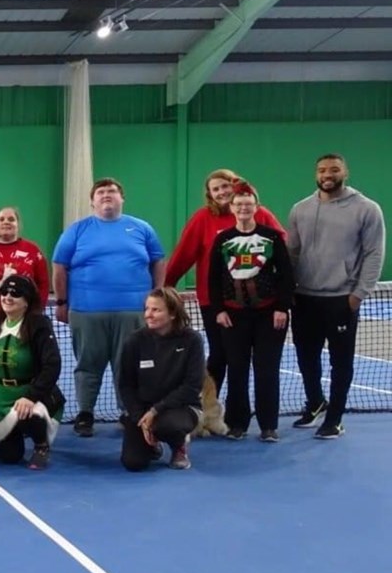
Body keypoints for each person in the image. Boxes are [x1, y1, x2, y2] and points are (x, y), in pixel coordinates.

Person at [52, 177, 165, 437]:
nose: (106, 195)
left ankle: (128, 412)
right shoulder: (77, 230)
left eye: (112, 191)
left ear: (121, 198)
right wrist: (61, 300)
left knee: (127, 365)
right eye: (101, 192)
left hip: (134, 312)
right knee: (88, 364)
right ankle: (85, 413)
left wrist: (156, 294)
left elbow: (158, 261)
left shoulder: (142, 228)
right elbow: (59, 266)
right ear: (92, 200)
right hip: (86, 312)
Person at [287, 153, 386, 439]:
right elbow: (292, 253)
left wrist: (358, 295)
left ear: (345, 172)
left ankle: (335, 418)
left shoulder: (367, 209)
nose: (327, 174)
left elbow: (374, 254)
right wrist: (290, 290)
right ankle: (316, 402)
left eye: (333, 169)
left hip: (342, 299)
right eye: (321, 170)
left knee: (340, 362)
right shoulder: (300, 209)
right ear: (316, 174)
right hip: (304, 298)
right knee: (306, 357)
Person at [165, 169, 284, 390]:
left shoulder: (261, 214)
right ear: (209, 194)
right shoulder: (202, 218)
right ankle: (204, 407)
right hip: (214, 302)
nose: (222, 192)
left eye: (225, 186)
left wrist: (282, 292)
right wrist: (166, 286)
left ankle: (248, 414)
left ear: (235, 185)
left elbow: (282, 249)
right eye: (216, 189)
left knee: (254, 361)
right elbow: (183, 254)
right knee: (219, 355)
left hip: (257, 304)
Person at [208, 181, 295, 442]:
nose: (243, 208)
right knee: (237, 369)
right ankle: (237, 423)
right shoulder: (223, 239)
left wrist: (282, 307)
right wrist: (219, 311)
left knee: (267, 369)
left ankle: (269, 425)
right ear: (231, 208)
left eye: (248, 204)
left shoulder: (271, 237)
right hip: (233, 317)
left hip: (269, 316)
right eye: (238, 204)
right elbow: (213, 277)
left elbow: (287, 275)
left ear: (256, 207)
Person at [0, 275, 63, 470]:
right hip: (0, 399)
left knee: (32, 415)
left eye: (15, 294)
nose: (7, 297)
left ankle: (41, 445)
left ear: (27, 301)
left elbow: (52, 364)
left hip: (29, 395)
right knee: (10, 457)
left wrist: (31, 397)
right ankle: (15, 430)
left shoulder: (39, 323)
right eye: (4, 292)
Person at [117, 288, 205, 471]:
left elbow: (192, 386)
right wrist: (140, 418)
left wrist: (156, 411)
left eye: (156, 310)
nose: (148, 315)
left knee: (169, 426)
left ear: (172, 314)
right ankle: (152, 445)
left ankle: (178, 447)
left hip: (181, 408)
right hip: (143, 410)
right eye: (147, 309)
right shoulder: (134, 342)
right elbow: (126, 385)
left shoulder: (192, 340)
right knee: (133, 463)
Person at [0, 206, 50, 339]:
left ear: (18, 225)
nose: (6, 222)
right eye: (1, 219)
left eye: (11, 219)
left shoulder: (33, 250)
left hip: (24, 324)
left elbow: (43, 284)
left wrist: (35, 313)